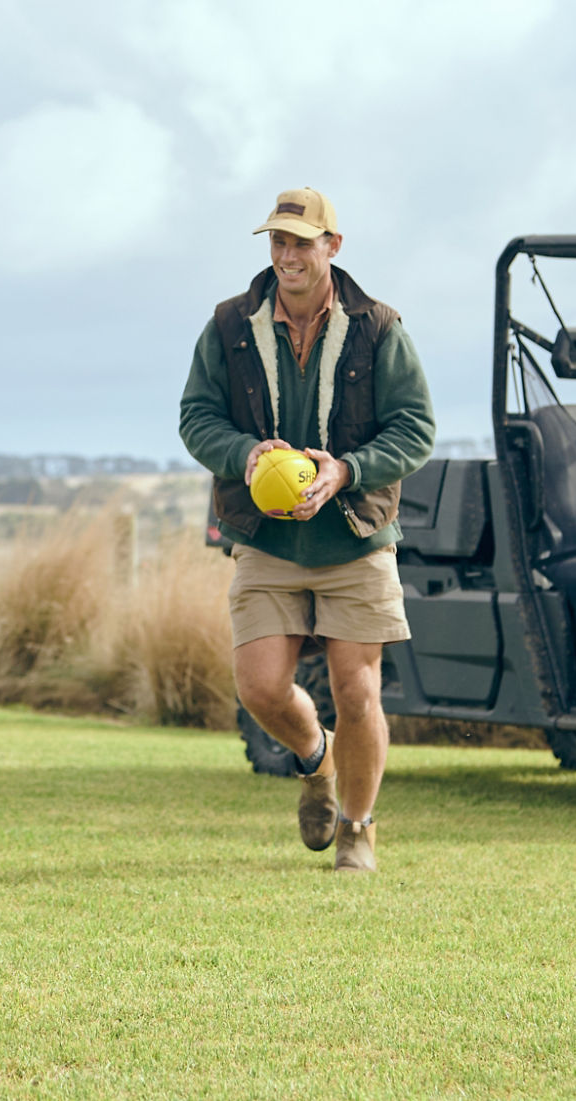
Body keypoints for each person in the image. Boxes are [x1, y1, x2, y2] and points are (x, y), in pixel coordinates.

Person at [179, 187, 435, 873]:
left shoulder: (379, 326)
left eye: (301, 241)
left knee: (358, 692)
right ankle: (317, 758)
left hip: (354, 535)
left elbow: (415, 428)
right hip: (266, 540)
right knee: (260, 688)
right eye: (277, 241)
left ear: (333, 246)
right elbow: (197, 417)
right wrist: (244, 455)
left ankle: (357, 829)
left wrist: (347, 470)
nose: (287, 255)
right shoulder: (229, 324)